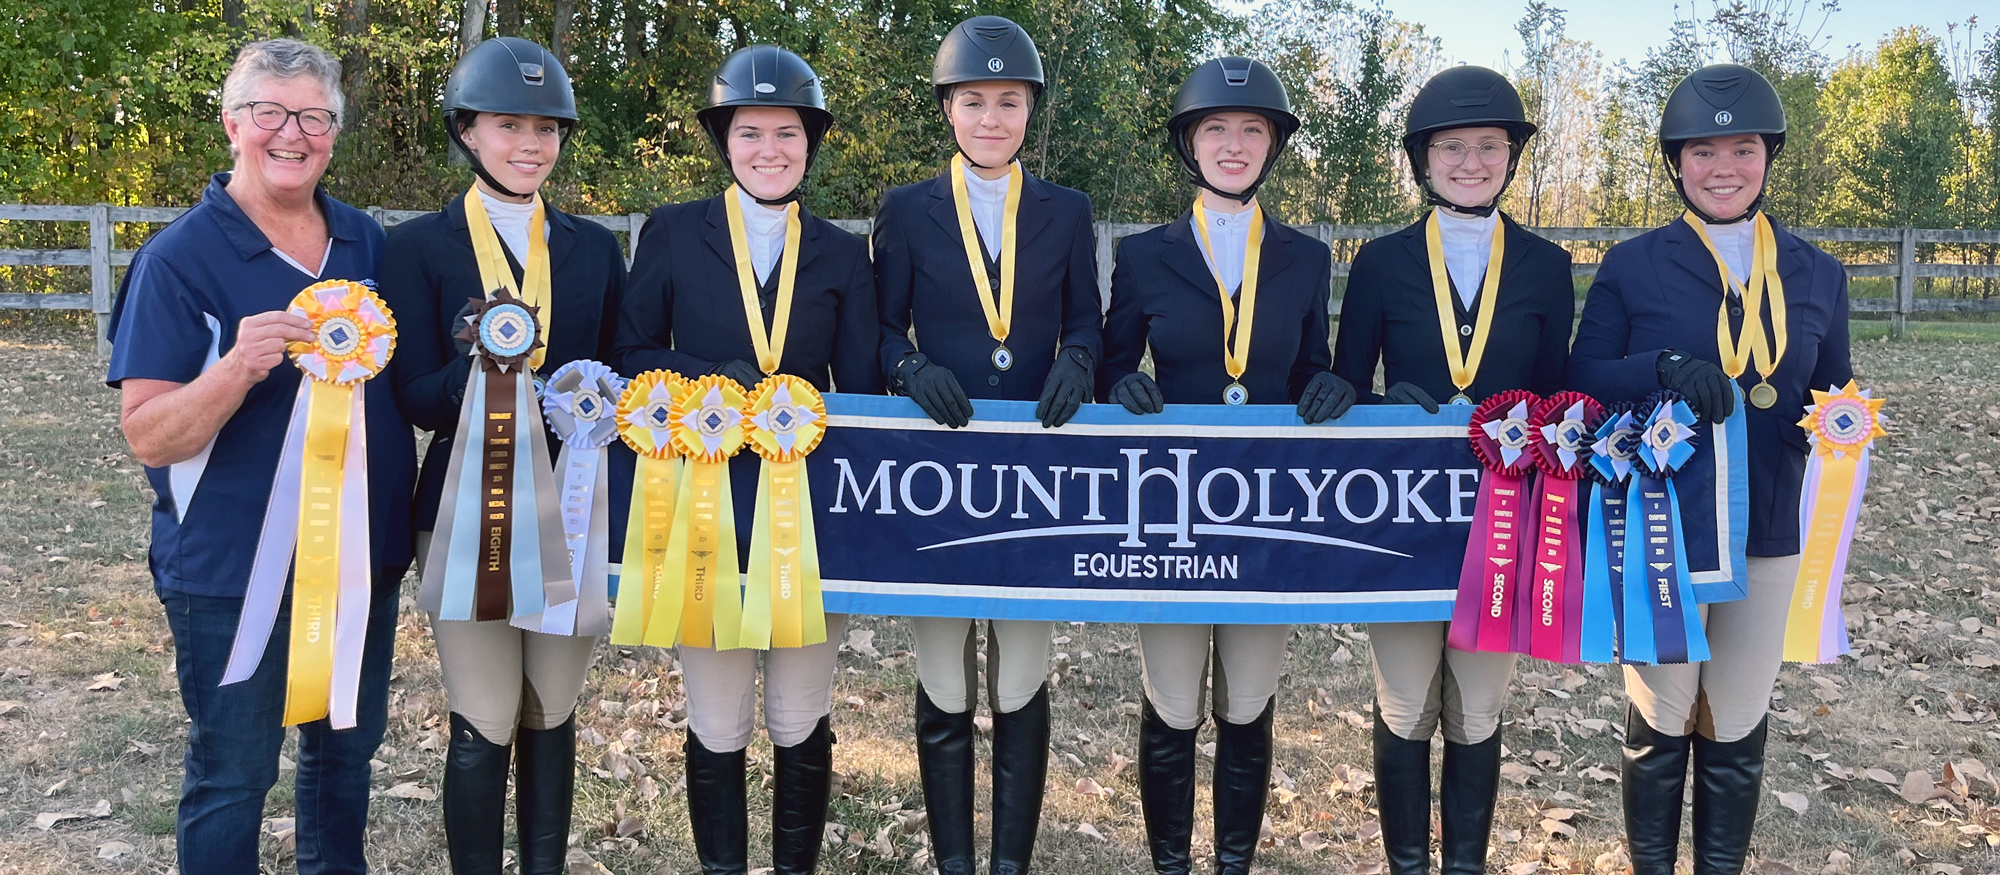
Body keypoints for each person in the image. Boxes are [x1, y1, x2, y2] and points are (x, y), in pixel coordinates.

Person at [107, 38, 416, 875]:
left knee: (344, 766)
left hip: (360, 563)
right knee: (234, 777)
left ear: (334, 133)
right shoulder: (178, 260)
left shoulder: (369, 245)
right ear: (230, 124)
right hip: (230, 575)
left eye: (314, 116)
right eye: (269, 112)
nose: (292, 132)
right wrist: (238, 368)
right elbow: (147, 432)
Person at [1565, 64, 1849, 875]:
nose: (1723, 167)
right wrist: (1661, 365)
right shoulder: (1632, 263)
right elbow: (1580, 376)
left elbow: (1832, 396)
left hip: (1767, 523)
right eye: (1703, 150)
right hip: (1666, 525)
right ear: (1675, 162)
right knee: (1662, 713)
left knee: (1736, 717)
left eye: (1744, 148)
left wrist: (1845, 421)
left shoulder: (1817, 271)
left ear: (1769, 157)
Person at [612, 45, 881, 875]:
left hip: (807, 518)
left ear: (811, 143)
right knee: (719, 716)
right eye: (752, 132)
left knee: (801, 712)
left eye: (788, 133)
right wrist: (705, 380)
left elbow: (862, 382)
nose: (770, 149)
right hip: (701, 512)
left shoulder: (842, 253)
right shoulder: (670, 231)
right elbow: (629, 353)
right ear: (725, 141)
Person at [376, 37, 628, 875]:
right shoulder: (415, 248)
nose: (531, 143)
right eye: (509, 124)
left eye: (547, 128)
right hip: (461, 513)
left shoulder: (595, 248)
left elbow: (616, 378)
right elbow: (411, 395)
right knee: (485, 714)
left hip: (573, 510)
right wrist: (476, 371)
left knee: (551, 709)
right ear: (468, 131)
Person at [1098, 57, 1353, 875]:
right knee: (1172, 704)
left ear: (1273, 144)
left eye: (1252, 130)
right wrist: (1120, 381)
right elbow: (1109, 364)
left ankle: (1233, 862)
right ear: (1190, 143)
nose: (1235, 144)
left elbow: (1311, 362)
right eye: (1217, 129)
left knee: (1247, 704)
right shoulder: (1143, 255)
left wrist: (1329, 386)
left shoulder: (1306, 258)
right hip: (1170, 510)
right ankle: (1171, 863)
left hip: (1263, 512)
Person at [871, 15, 1101, 875]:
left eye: (1009, 102)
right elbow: (880, 328)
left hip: (1035, 472)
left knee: (1021, 672)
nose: (992, 118)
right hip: (941, 470)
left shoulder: (1067, 211)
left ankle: (1010, 862)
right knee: (943, 672)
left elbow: (1088, 316)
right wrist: (907, 365)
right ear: (949, 110)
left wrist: (1081, 356)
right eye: (975, 102)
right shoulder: (905, 211)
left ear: (1029, 110)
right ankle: (955, 863)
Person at [1331, 66, 1574, 875]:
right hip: (1401, 520)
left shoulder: (1546, 265)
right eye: (1451, 148)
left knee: (1476, 707)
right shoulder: (1379, 262)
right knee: (1405, 703)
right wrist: (1372, 402)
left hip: (1502, 523)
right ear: (1422, 160)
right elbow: (1343, 391)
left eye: (1488, 147)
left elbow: (1554, 397)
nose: (1471, 162)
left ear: (1511, 156)